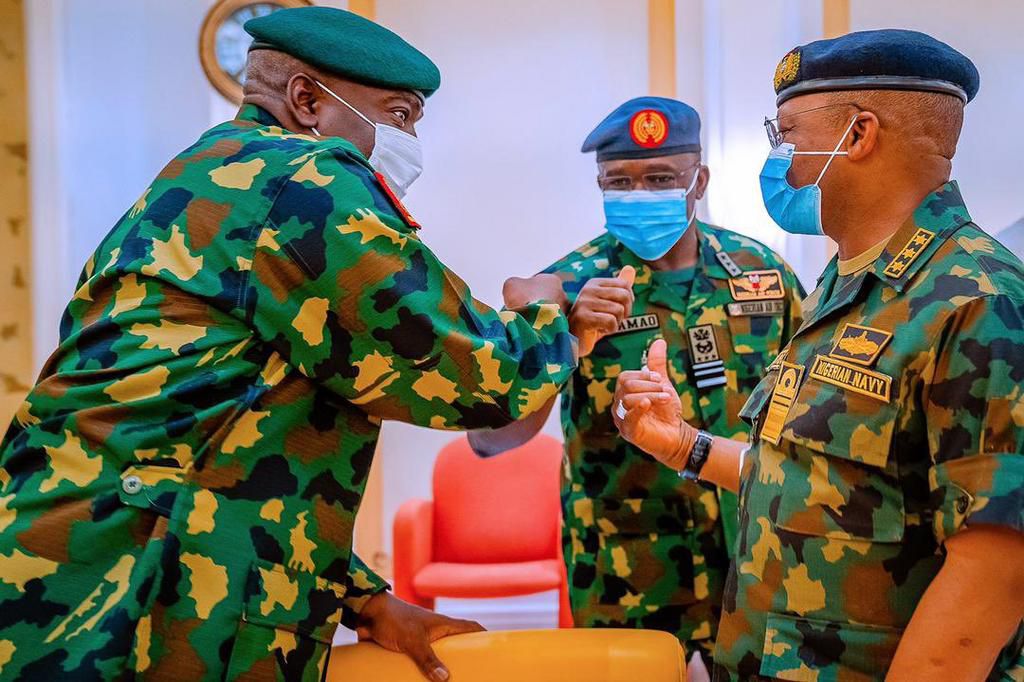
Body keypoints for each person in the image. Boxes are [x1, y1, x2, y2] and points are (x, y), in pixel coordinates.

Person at [0, 7, 577, 681]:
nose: (411, 138)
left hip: (65, 573)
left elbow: (207, 442)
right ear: (307, 100)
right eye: (399, 115)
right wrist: (541, 306)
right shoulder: (305, 184)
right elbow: (487, 380)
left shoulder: (193, 179)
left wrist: (363, 600)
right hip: (136, 606)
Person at [612, 29, 1024, 680]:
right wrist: (683, 445)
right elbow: (817, 482)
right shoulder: (847, 283)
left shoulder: (974, 301)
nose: (782, 162)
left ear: (857, 136)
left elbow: (995, 573)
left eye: (786, 135)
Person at [470, 97, 804, 670]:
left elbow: (806, 414)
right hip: (625, 569)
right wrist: (567, 339)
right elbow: (491, 438)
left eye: (659, 178)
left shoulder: (763, 274)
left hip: (757, 558)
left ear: (698, 180)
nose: (640, 194)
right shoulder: (568, 285)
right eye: (619, 182)